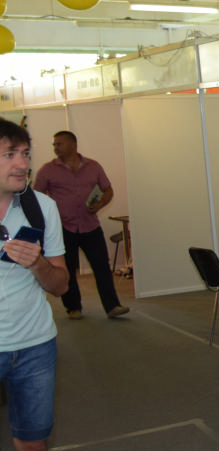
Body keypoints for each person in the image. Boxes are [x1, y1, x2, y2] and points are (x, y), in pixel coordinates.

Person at [0, 119, 75, 451]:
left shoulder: (40, 207)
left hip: (33, 346)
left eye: (25, 153)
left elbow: (62, 284)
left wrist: (36, 264)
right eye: (10, 154)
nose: (22, 163)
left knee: (33, 449)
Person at [32, 130, 128, 320]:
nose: (55, 148)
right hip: (63, 228)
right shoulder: (47, 170)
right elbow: (37, 197)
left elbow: (108, 190)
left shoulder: (94, 166)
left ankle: (112, 306)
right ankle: (73, 308)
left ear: (73, 145)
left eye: (59, 144)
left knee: (102, 266)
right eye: (54, 144)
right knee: (67, 269)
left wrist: (100, 204)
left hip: (90, 226)